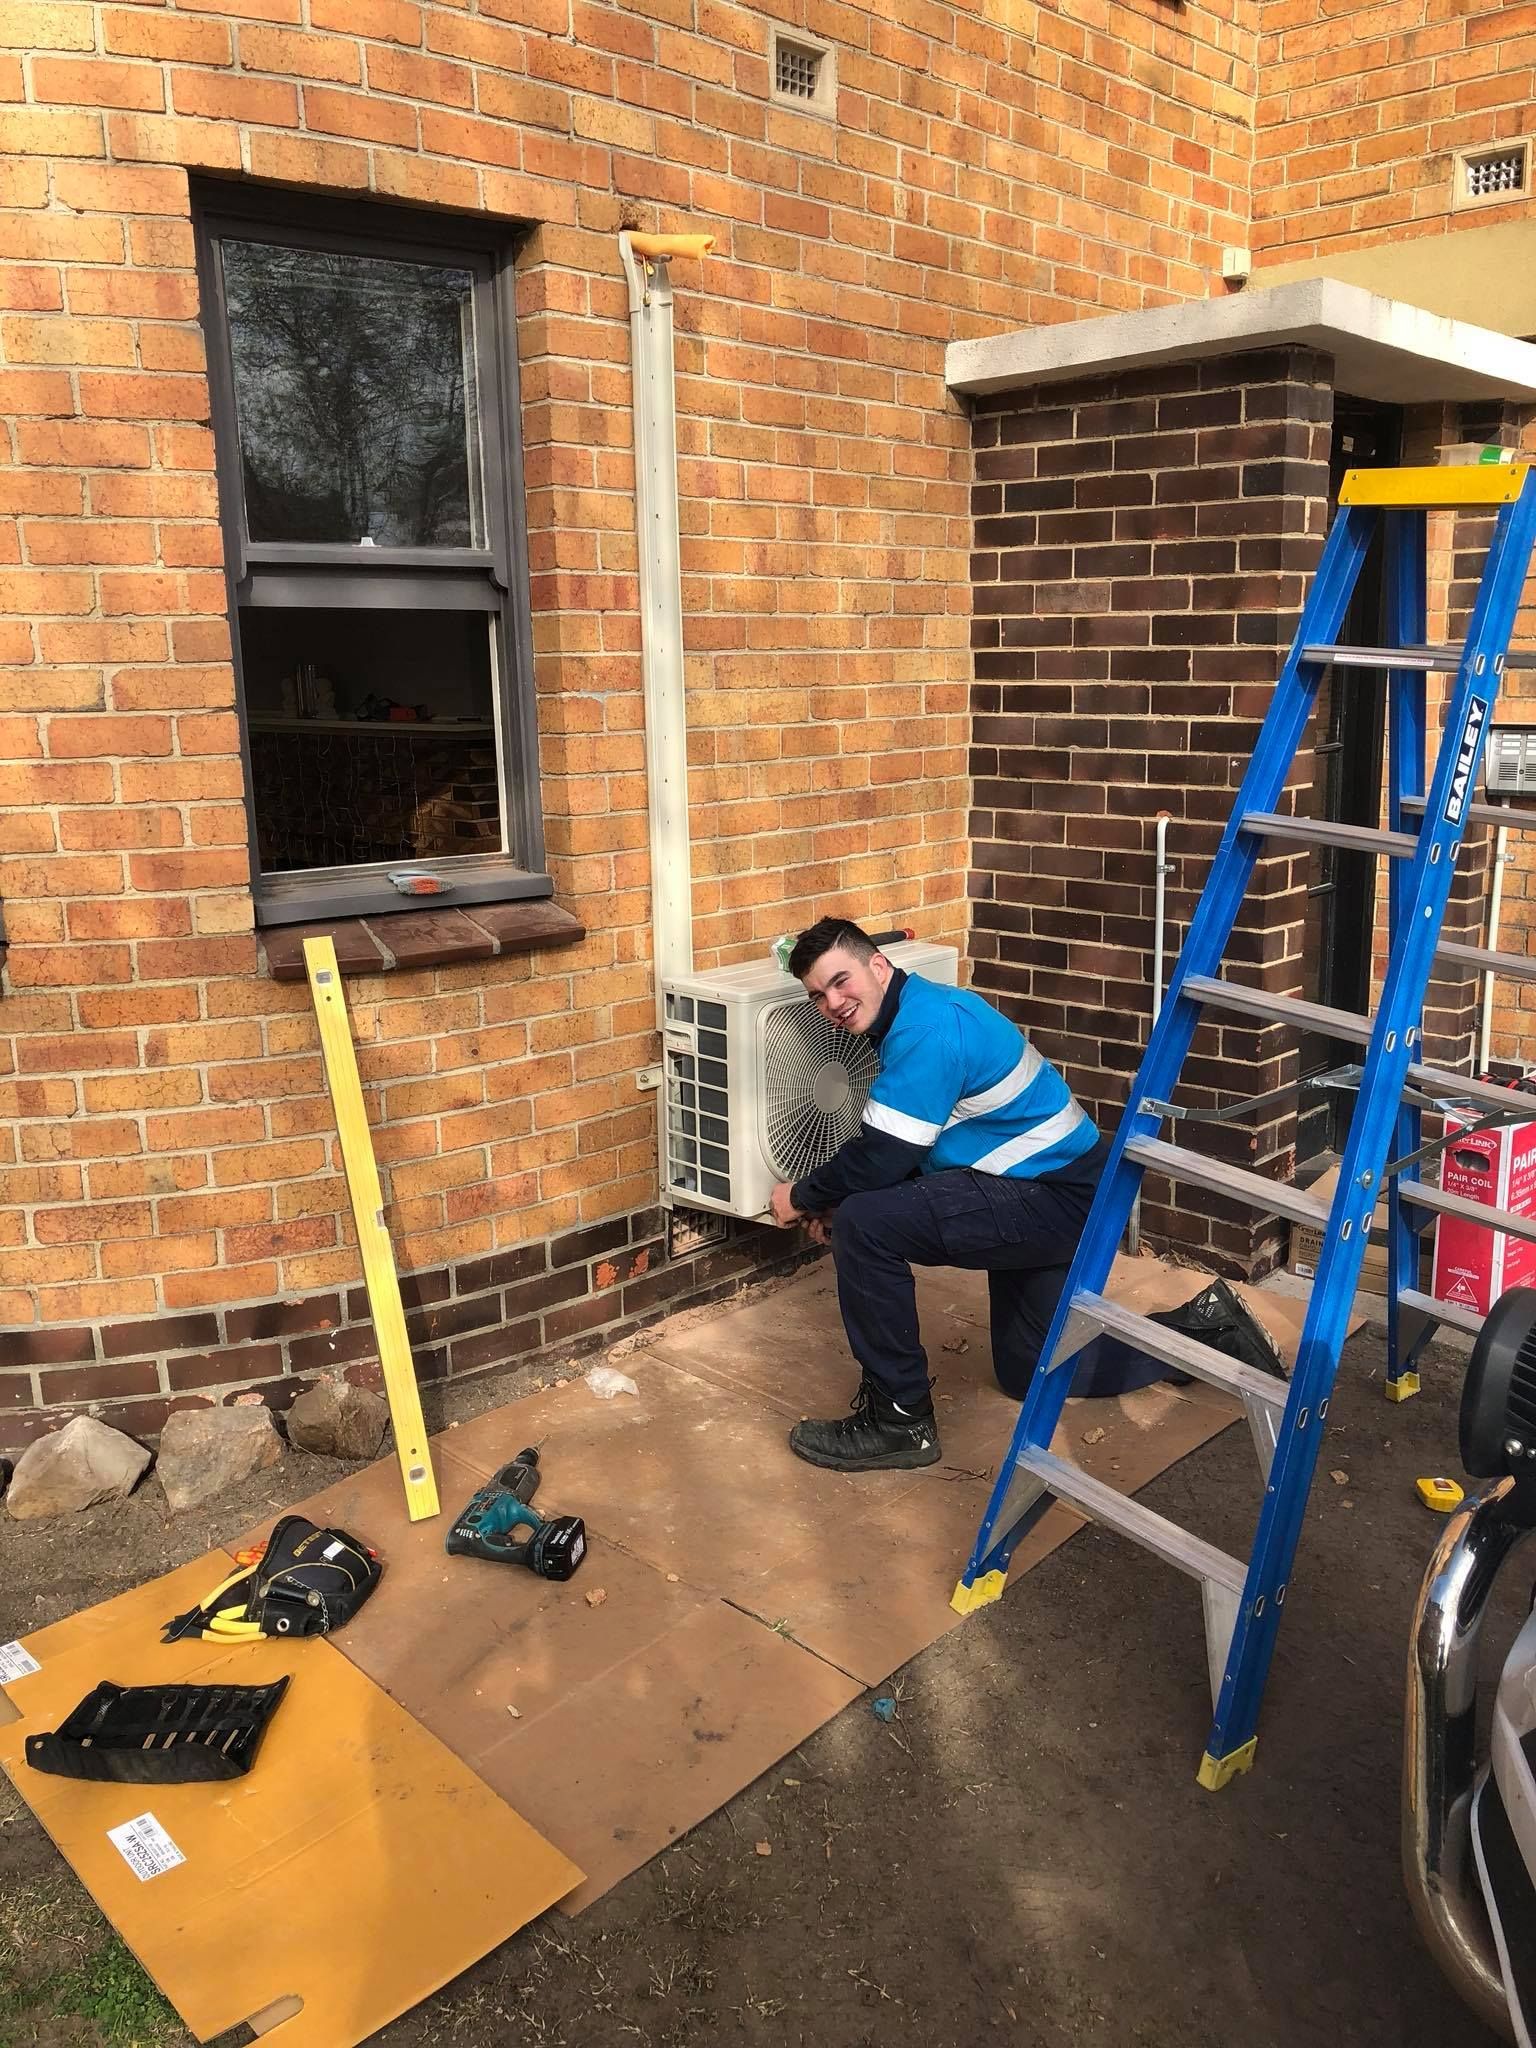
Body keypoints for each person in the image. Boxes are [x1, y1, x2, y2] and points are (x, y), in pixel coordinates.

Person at [767, 916, 1113, 1474]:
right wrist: (832, 1198)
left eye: (841, 980)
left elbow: (881, 1155)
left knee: (865, 1222)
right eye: (818, 994)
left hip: (1054, 1198)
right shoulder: (920, 1010)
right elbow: (912, 1151)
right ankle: (1208, 1330)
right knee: (1031, 1370)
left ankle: (899, 1421)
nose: (832, 1002)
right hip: (1055, 1190)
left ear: (878, 966)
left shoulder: (925, 1030)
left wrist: (804, 1196)